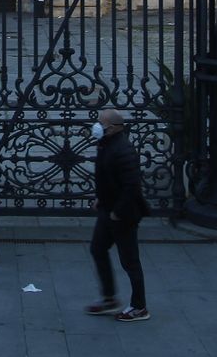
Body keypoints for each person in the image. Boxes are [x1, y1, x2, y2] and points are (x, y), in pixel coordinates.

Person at [84, 107, 149, 322]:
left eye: (101, 123)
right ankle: (110, 299)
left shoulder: (124, 150)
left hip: (123, 215)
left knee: (130, 261)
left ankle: (139, 307)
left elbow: (131, 187)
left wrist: (117, 212)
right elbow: (106, 177)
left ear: (112, 128)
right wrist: (100, 198)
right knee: (97, 249)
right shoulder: (107, 144)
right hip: (108, 209)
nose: (97, 126)